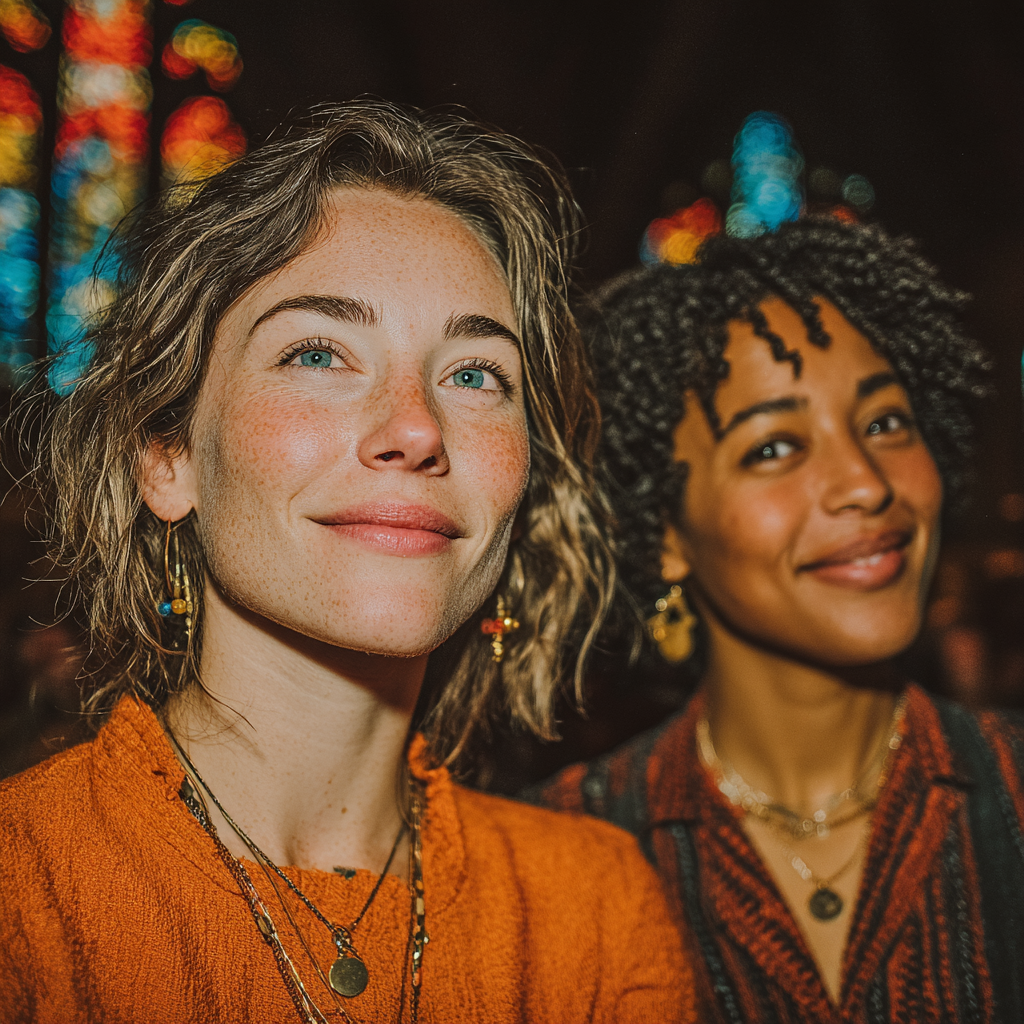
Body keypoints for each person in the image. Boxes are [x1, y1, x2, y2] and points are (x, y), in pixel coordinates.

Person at [0, 101, 695, 1023]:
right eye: (319, 354)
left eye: (475, 374)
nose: (416, 427)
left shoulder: (595, 915)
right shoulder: (25, 891)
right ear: (168, 457)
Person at [530, 218, 1024, 1023]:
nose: (866, 483)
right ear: (665, 534)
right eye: (773, 448)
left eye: (885, 422)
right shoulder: (555, 857)